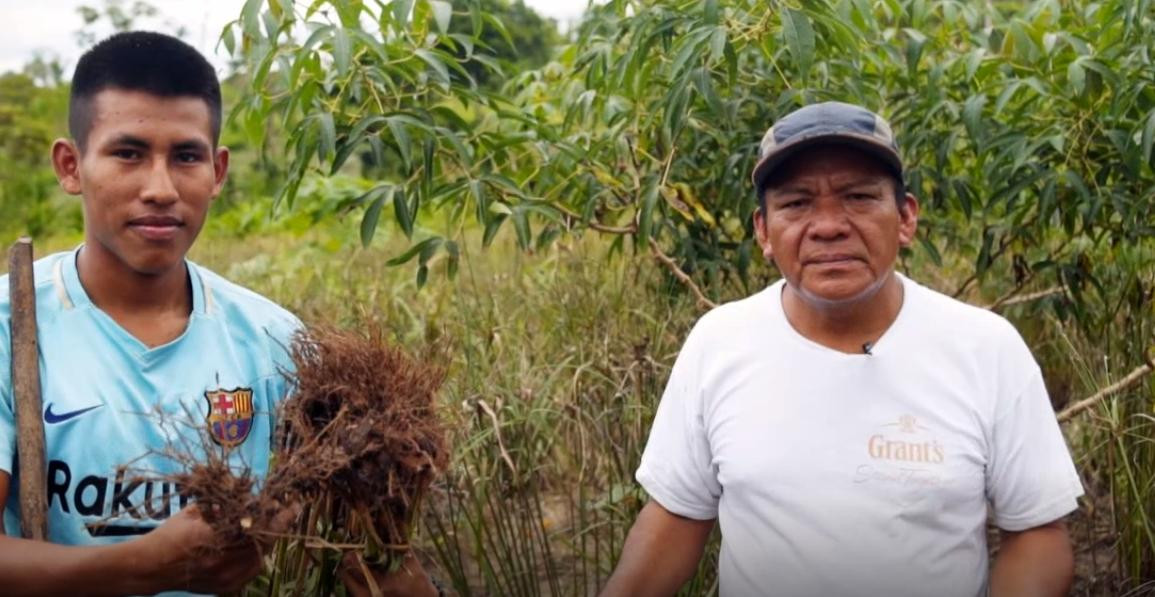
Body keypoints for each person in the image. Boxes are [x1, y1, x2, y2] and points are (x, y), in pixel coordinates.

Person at [0, 32, 436, 596]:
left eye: (185, 156)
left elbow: (338, 533)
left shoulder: (273, 343)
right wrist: (138, 568)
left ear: (218, 171)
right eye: (128, 153)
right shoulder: (14, 326)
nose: (160, 189)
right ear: (71, 166)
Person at [601, 102, 1084, 597]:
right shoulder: (719, 342)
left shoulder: (985, 348)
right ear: (764, 232)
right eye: (796, 203)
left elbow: (1037, 533)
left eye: (857, 197)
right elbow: (677, 516)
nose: (828, 225)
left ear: (905, 218)